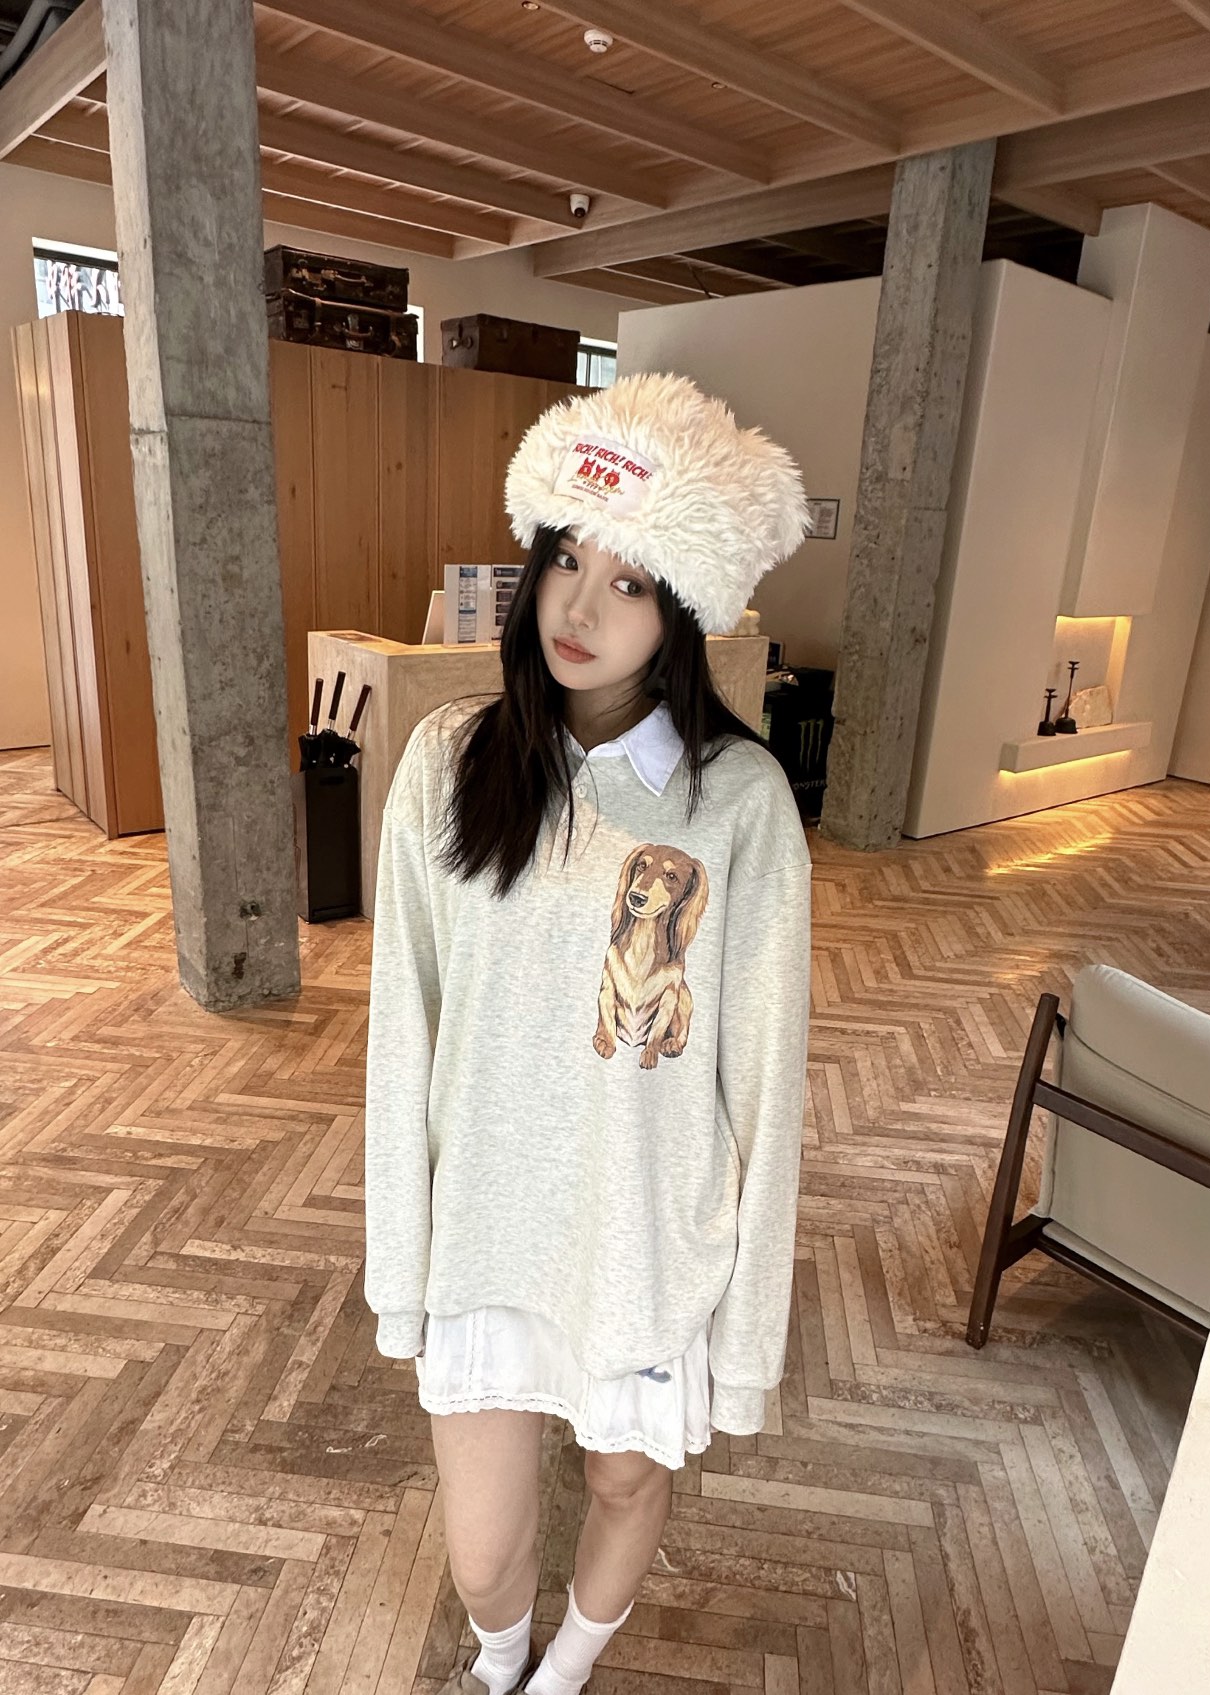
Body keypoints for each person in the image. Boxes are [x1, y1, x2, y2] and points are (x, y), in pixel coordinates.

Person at [364, 371, 814, 1695]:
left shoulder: (738, 805)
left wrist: (748, 1339)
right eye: (566, 559)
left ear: (682, 611)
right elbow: (404, 1038)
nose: (579, 607)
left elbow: (766, 1086)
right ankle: (500, 1653)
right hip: (489, 1233)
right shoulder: (447, 762)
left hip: (645, 1241)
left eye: (629, 581)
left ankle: (560, 1678)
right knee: (482, 1553)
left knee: (624, 1484)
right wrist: (403, 1261)